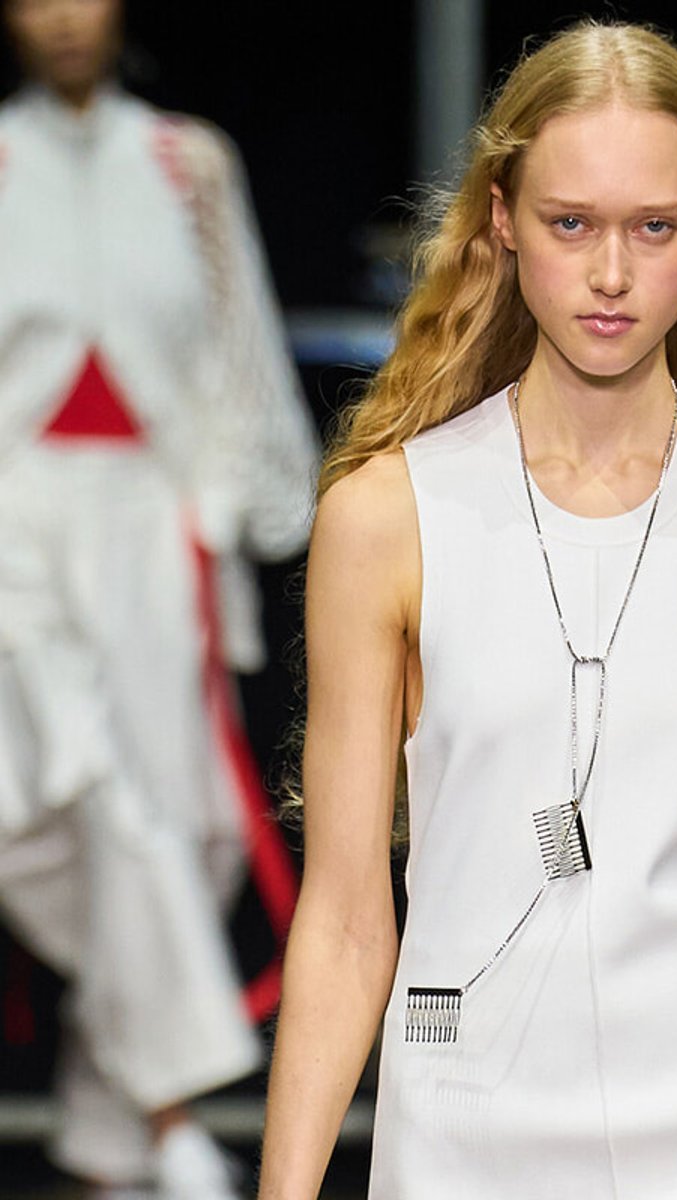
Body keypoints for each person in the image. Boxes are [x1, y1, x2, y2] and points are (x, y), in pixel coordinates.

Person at [259, 19, 677, 1200]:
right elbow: (349, 920)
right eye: (573, 225)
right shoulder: (389, 520)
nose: (612, 274)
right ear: (501, 218)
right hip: (470, 1137)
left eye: (653, 228)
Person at [0, 1, 319, 1196]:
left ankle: (108, 1152)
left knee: (180, 832)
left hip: (153, 525)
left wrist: (223, 509)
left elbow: (237, 347)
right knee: (74, 804)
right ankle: (178, 1123)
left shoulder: (187, 162)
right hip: (15, 529)